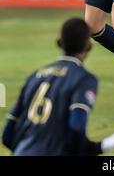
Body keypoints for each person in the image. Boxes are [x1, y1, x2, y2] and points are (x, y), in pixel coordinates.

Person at [1, 18, 102, 156]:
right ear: (88, 46)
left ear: (59, 43)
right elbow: (77, 126)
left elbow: (7, 135)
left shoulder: (34, 77)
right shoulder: (84, 79)